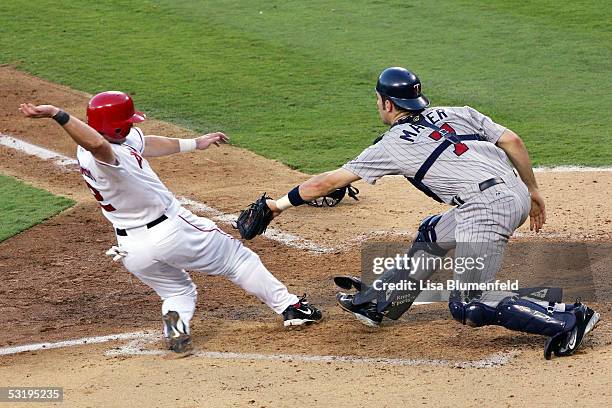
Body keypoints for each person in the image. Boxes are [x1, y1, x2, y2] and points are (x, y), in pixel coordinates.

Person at [263, 67, 599, 359]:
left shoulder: (392, 144)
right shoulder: (455, 111)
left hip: (485, 208)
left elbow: (326, 183)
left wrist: (277, 205)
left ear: (387, 103)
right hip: (513, 192)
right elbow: (512, 141)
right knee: (433, 234)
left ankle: (568, 320)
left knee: (468, 304)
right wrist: (534, 190)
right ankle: (380, 303)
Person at [19, 91, 322, 354]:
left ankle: (175, 333)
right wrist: (57, 114)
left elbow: (144, 142)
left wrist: (194, 143)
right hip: (170, 231)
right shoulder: (104, 155)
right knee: (237, 259)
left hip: (130, 248)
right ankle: (291, 307)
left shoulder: (106, 141)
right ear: (118, 126)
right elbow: (100, 146)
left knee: (178, 293)